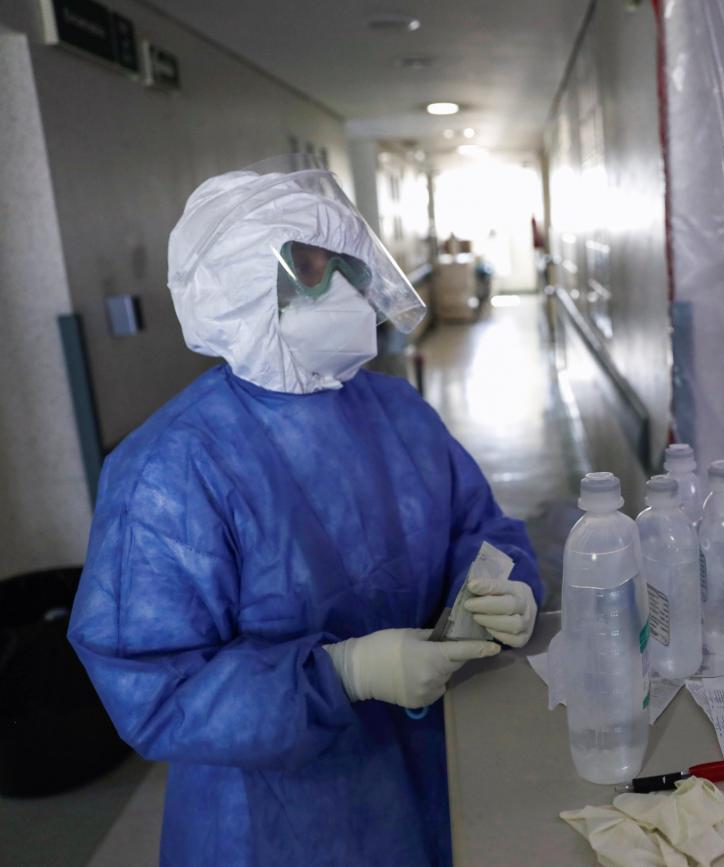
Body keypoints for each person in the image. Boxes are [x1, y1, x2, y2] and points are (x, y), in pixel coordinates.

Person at [67, 154, 542, 866]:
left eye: (350, 266)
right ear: (238, 293)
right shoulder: (169, 469)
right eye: (312, 271)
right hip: (277, 824)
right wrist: (341, 672)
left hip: (432, 775)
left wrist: (512, 584)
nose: (348, 290)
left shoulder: (398, 411)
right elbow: (155, 689)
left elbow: (478, 527)